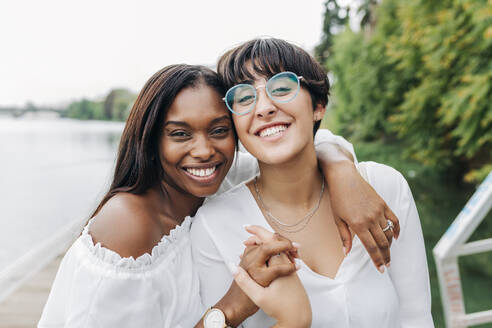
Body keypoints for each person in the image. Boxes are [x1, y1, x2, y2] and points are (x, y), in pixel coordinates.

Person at [38, 64, 398, 328]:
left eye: (219, 130)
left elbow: (307, 143)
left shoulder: (225, 175)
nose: (204, 150)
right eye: (180, 134)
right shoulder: (129, 224)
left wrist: (343, 173)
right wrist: (234, 305)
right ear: (151, 140)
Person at [191, 38, 434, 327]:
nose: (264, 107)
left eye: (281, 88)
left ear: (318, 105)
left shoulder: (384, 187)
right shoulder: (214, 225)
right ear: (234, 123)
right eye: (244, 98)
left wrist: (341, 167)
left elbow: (417, 317)